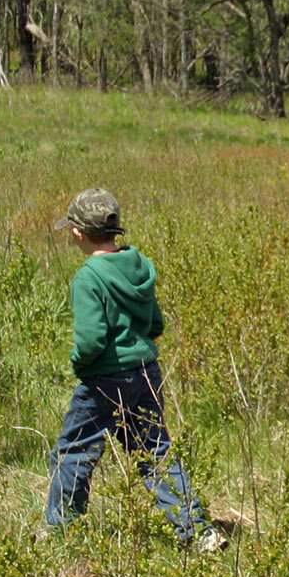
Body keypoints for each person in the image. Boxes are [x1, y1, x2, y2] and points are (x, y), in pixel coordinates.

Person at [43, 189, 223, 550]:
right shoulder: (139, 267)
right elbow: (155, 324)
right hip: (146, 372)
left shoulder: (88, 278)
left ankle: (63, 532)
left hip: (104, 379)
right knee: (154, 451)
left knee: (73, 451)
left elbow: (91, 341)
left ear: (77, 233)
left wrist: (80, 363)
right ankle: (198, 531)